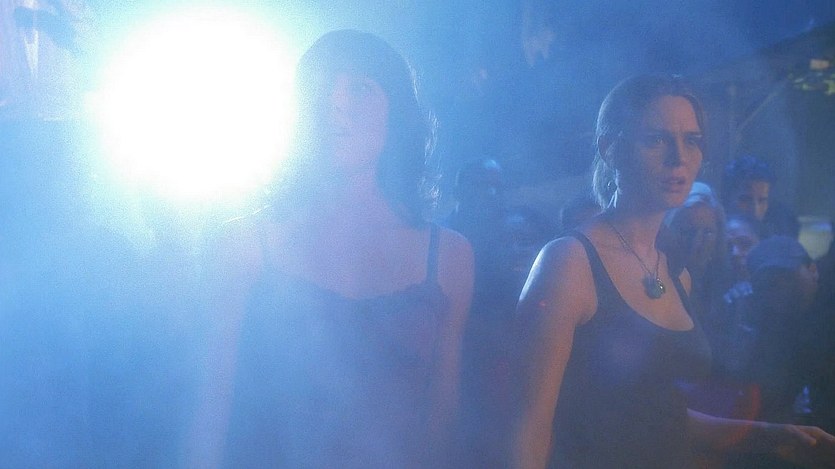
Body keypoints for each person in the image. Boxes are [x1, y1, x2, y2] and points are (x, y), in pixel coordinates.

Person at [510, 74, 835, 469]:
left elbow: (659, 416)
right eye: (657, 139)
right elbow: (526, 429)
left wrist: (769, 435)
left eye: (691, 140)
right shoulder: (570, 262)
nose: (679, 157)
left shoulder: (675, 272)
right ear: (611, 149)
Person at [185, 30, 474, 468]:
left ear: (396, 114)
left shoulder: (448, 256)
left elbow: (442, 426)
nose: (334, 102)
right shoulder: (245, 244)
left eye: (360, 87)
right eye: (320, 87)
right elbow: (209, 412)